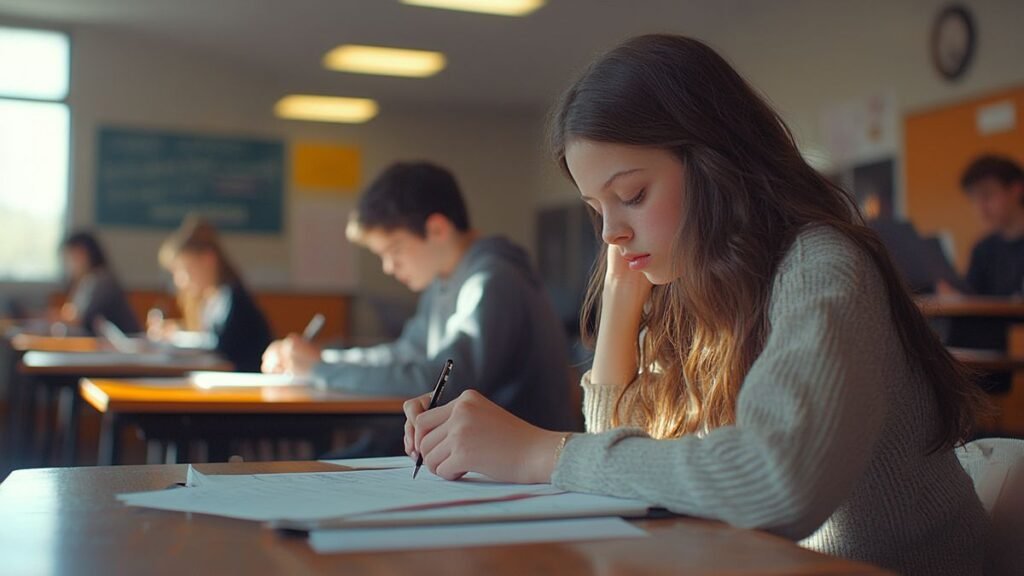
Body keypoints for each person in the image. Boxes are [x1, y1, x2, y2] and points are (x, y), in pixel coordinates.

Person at [403, 35, 989, 575]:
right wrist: (620, 302)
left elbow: (776, 487)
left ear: (718, 165)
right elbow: (622, 466)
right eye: (596, 207)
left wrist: (540, 452)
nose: (610, 232)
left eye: (631, 195)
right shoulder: (696, 285)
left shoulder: (822, 268)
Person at [262, 162, 573, 434]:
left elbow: (440, 382)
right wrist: (323, 359)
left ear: (437, 229)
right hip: (474, 450)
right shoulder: (443, 281)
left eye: (394, 251)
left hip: (519, 466)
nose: (388, 266)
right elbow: (406, 353)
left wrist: (320, 371)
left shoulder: (492, 280)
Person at [150, 216, 272, 372]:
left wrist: (178, 337)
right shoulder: (210, 300)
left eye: (184, 270)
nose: (180, 281)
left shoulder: (233, 300)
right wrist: (178, 332)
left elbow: (219, 348)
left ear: (208, 259)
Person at [946, 155, 1024, 393]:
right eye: (974, 199)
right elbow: (973, 299)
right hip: (991, 340)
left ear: (1016, 189)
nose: (980, 207)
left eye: (987, 196)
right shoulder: (983, 248)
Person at [57, 231, 140, 335]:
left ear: (89, 254)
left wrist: (57, 318)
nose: (71, 264)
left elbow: (84, 318)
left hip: (122, 344)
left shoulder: (103, 281)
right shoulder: (85, 281)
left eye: (74, 257)